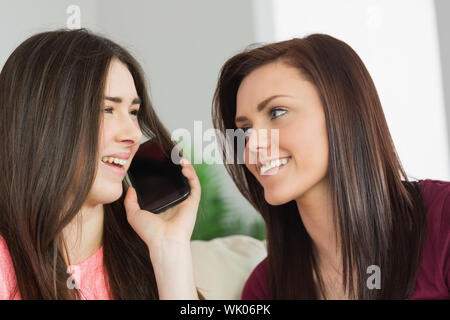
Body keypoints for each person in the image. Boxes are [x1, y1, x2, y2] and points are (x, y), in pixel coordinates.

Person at [212, 34, 449, 299]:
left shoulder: (443, 221)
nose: (252, 144)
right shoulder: (266, 288)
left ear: (343, 112)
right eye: (245, 130)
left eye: (277, 113)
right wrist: (170, 247)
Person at [0, 29, 201, 299]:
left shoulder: (143, 255)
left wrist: (170, 248)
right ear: (43, 123)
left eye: (133, 112)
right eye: (107, 109)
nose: (133, 134)